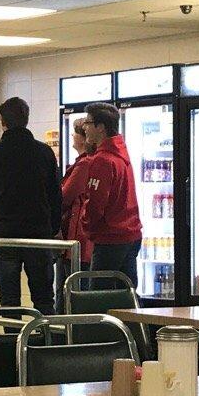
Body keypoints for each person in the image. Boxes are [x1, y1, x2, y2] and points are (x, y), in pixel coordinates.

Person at [0, 96, 61, 310]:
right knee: (44, 298)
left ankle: (12, 341)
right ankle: (45, 340)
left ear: (3, 122)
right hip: (38, 235)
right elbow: (56, 195)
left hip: (4, 234)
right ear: (27, 119)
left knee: (9, 300)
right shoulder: (44, 152)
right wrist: (53, 228)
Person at [63, 102, 142, 284]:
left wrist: (88, 229)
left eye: (88, 123)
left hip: (110, 238)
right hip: (131, 235)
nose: (85, 127)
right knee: (125, 295)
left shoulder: (102, 160)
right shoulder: (122, 154)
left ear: (101, 128)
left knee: (98, 297)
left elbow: (96, 204)